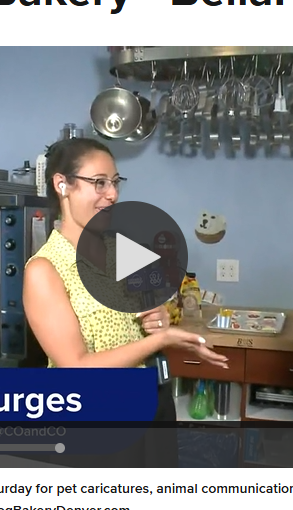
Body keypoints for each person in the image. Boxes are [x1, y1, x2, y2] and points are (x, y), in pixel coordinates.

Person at [22, 137, 227, 466]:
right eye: (99, 183)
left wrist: (158, 319)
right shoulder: (44, 270)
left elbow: (155, 307)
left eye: (115, 183)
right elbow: (75, 369)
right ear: (62, 185)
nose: (113, 194)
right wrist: (161, 339)